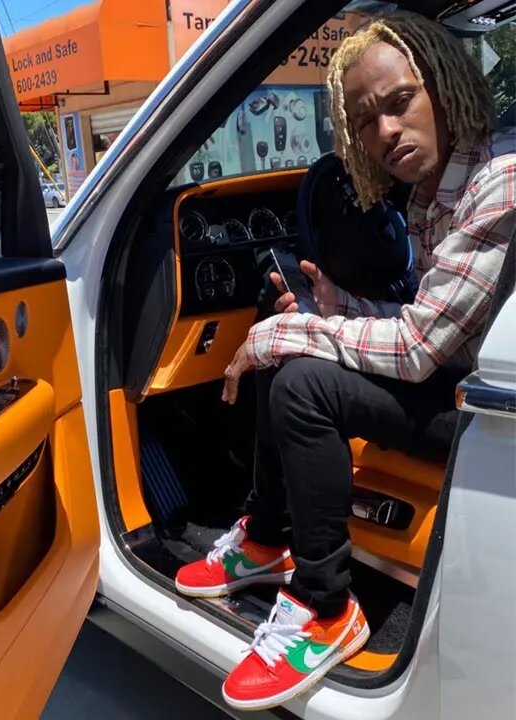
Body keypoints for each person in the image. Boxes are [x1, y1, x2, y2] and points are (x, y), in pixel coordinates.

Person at [174, 11, 514, 711]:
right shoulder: (433, 193)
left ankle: (326, 607)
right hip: (465, 382)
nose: (385, 133)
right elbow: (435, 325)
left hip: (486, 411)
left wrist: (298, 338)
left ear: (445, 90)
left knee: (299, 377)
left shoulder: (498, 181)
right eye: (365, 122)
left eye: (399, 104)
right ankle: (266, 538)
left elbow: (421, 350)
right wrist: (335, 310)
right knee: (291, 339)